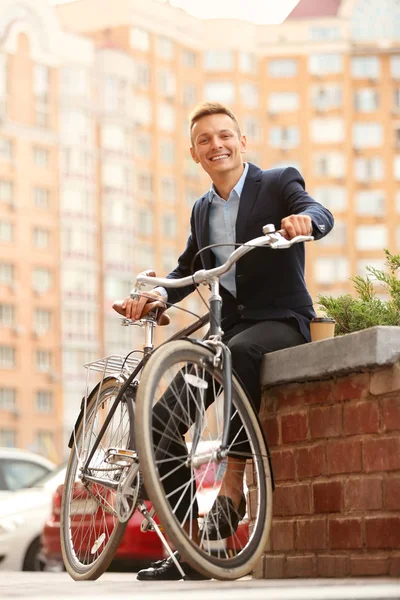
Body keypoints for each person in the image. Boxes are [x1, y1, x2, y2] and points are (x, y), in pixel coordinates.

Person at [120, 102, 334, 580]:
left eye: (225, 136)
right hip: (228, 335)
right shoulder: (202, 209)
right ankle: (189, 550)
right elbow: (185, 269)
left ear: (242, 142)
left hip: (281, 321)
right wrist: (154, 295)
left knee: (235, 354)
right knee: (159, 421)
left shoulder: (278, 182)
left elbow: (317, 211)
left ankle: (233, 482)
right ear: (194, 154)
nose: (216, 144)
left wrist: (306, 224)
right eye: (204, 140)